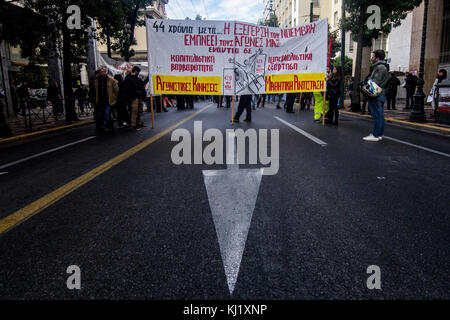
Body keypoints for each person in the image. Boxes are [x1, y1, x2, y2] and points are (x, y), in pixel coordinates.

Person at [363, 50, 389, 142]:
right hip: (380, 94)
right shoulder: (382, 67)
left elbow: (375, 83)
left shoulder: (380, 68)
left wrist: (365, 88)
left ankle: (376, 134)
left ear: (377, 58)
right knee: (379, 115)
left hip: (377, 95)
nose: (371, 58)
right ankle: (378, 134)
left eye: (373, 57)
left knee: (377, 115)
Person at [94, 67, 119, 132]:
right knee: (103, 114)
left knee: (107, 114)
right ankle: (109, 125)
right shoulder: (96, 81)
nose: (103, 73)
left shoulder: (111, 80)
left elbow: (116, 90)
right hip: (100, 100)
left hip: (108, 100)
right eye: (102, 72)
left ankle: (108, 126)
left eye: (104, 71)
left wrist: (114, 98)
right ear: (99, 72)